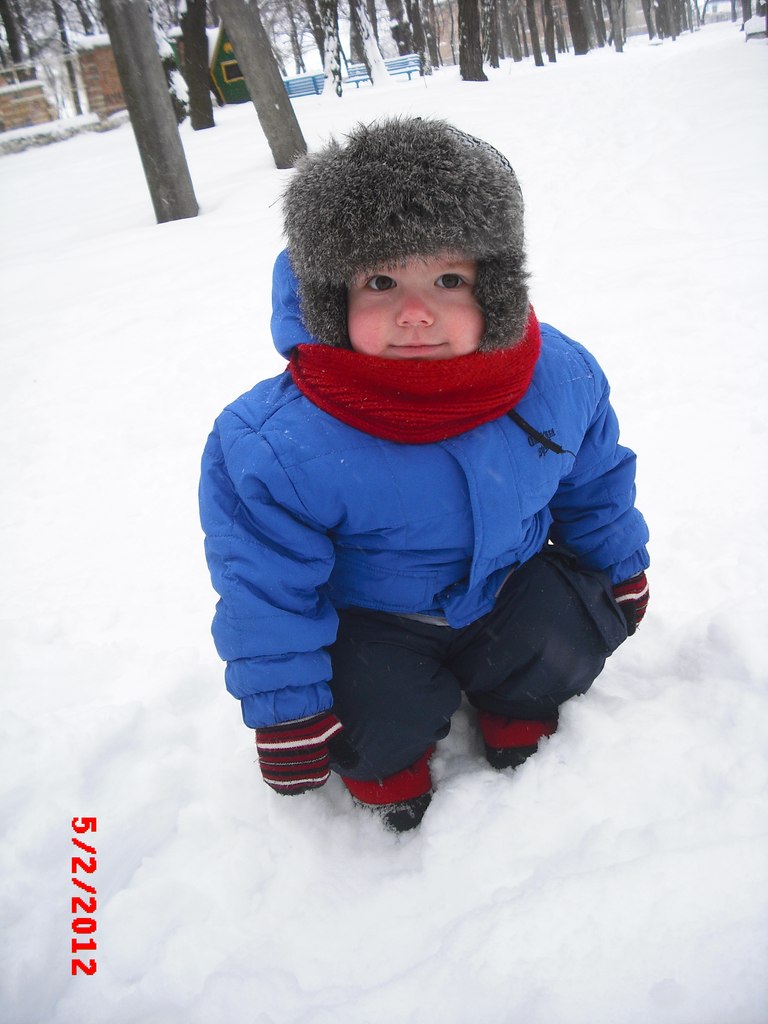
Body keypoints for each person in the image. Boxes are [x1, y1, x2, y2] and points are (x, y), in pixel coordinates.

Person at [199, 117, 650, 833]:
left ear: (494, 289)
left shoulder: (554, 376)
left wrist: (619, 567)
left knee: (567, 637)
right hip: (375, 619)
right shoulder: (276, 441)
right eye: (380, 281)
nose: (414, 314)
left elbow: (593, 481)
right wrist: (289, 711)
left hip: (509, 582)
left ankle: (515, 698)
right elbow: (264, 583)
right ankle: (389, 764)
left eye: (448, 279)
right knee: (369, 718)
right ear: (329, 299)